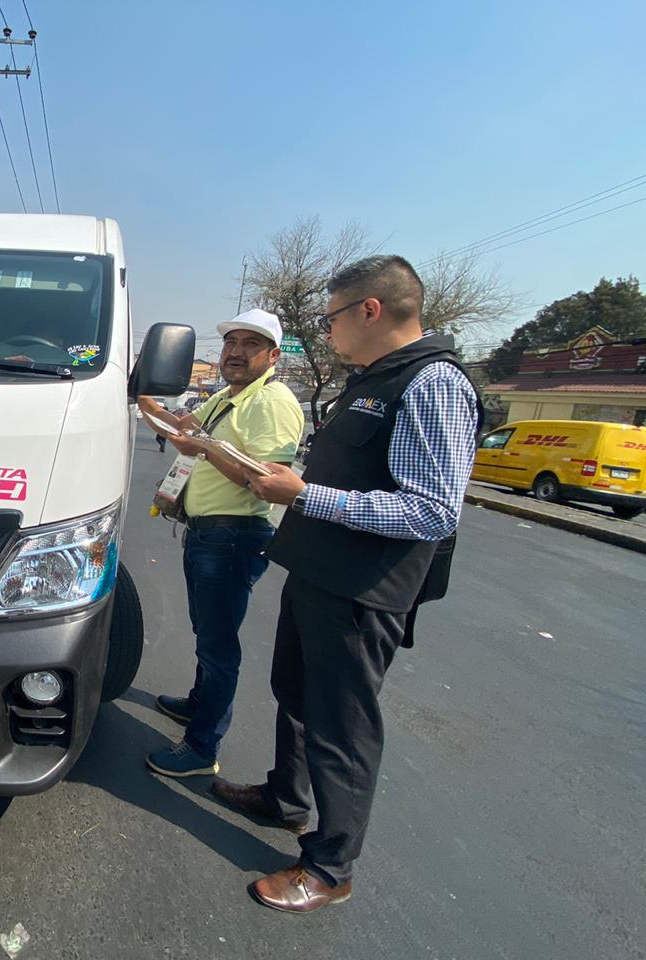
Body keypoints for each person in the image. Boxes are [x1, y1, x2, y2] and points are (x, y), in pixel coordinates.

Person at [213, 256, 480, 913]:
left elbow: (431, 510)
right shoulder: (372, 379)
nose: (325, 331)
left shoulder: (431, 382)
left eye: (331, 318)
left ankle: (331, 867)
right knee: (295, 694)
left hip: (365, 590)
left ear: (370, 310)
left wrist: (306, 494)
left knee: (343, 726)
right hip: (320, 572)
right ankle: (285, 797)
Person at [137, 308, 304, 778]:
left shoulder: (271, 403)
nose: (235, 352)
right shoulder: (226, 398)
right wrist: (141, 396)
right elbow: (184, 425)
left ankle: (201, 746)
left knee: (217, 642)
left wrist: (205, 447)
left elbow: (264, 481)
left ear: (273, 356)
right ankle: (197, 704)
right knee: (205, 629)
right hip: (209, 531)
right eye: (231, 342)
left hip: (235, 534)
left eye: (250, 344)